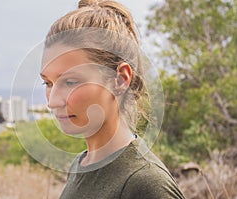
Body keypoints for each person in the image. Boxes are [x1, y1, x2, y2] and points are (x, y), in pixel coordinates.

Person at [40, 0, 185, 198]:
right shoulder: (81, 165)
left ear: (120, 79)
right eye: (48, 83)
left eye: (70, 82)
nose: (52, 101)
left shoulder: (146, 183)